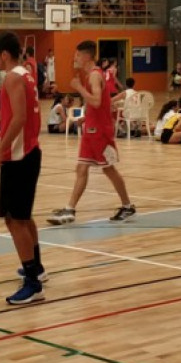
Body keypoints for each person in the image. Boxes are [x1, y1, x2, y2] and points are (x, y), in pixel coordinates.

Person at [48, 41, 135, 225]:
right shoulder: (91, 75)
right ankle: (70, 209)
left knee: (108, 169)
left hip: (100, 132)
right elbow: (97, 104)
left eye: (77, 55)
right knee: (81, 168)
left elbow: (95, 101)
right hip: (91, 129)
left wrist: (78, 88)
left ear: (87, 56)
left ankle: (127, 206)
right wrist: (86, 117)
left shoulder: (95, 75)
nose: (75, 58)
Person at [0, 32, 44, 305]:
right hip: (29, 152)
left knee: (15, 220)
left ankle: (33, 283)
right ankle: (37, 268)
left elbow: (20, 117)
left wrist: (2, 148)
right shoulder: (28, 73)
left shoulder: (12, 77)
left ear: (4, 54)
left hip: (20, 156)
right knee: (24, 217)